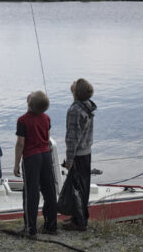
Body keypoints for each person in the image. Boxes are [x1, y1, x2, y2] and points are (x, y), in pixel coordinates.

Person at [14, 90, 57, 237]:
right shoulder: (46, 118)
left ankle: (30, 229)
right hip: (46, 155)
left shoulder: (22, 120)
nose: (30, 93)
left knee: (31, 193)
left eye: (31, 95)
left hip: (32, 158)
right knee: (49, 190)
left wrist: (16, 164)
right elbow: (47, 137)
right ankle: (51, 226)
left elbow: (20, 143)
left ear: (30, 105)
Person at [63, 78, 97, 231]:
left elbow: (72, 138)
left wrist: (69, 159)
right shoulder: (87, 106)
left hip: (78, 154)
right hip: (86, 152)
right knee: (83, 186)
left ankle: (79, 222)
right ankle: (79, 216)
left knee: (77, 188)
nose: (73, 82)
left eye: (75, 83)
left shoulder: (74, 110)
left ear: (75, 92)